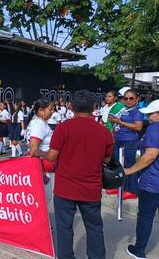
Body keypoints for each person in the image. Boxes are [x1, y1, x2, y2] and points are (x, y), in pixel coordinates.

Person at [41, 90, 113, 259]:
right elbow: (108, 159)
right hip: (91, 189)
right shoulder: (104, 132)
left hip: (65, 188)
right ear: (94, 107)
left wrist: (39, 152)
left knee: (64, 228)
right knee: (95, 228)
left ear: (71, 107)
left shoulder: (63, 127)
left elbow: (51, 156)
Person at [124, 99, 159, 259]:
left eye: (151, 114)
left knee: (145, 216)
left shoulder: (154, 128)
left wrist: (130, 170)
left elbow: (151, 155)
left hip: (152, 182)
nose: (149, 118)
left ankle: (139, 250)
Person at [109, 88, 143, 199]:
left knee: (129, 165)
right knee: (118, 165)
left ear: (137, 99)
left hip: (129, 141)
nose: (128, 100)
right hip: (119, 140)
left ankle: (131, 190)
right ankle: (119, 186)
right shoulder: (124, 110)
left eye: (131, 98)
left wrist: (120, 122)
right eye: (125, 98)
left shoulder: (136, 112)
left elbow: (138, 127)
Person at [27, 99, 54, 203]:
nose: (52, 112)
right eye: (50, 109)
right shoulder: (39, 124)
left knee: (43, 198)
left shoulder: (40, 122)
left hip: (42, 166)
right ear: (41, 110)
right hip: (41, 168)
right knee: (43, 198)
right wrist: (50, 154)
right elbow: (34, 149)